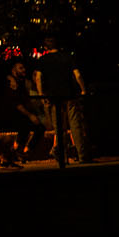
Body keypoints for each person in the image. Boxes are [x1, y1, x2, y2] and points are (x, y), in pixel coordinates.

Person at [34, 36, 86, 164]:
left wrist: (42, 95)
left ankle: (63, 157)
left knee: (59, 128)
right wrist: (83, 89)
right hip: (70, 94)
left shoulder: (43, 60)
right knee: (75, 125)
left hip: (53, 97)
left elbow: (38, 78)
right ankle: (83, 155)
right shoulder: (67, 57)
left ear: (45, 47)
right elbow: (77, 74)